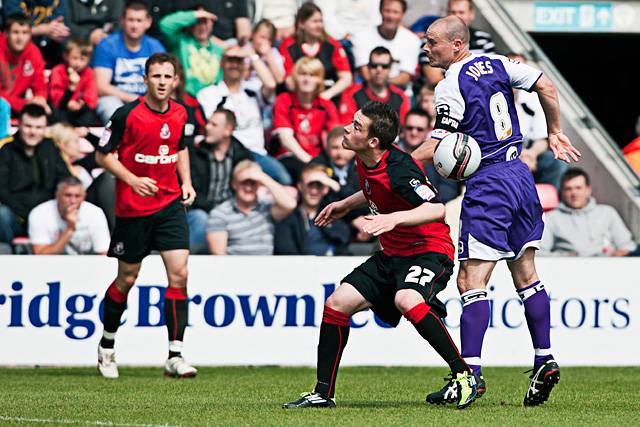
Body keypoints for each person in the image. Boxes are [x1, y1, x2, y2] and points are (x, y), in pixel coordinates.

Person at [413, 16, 581, 406]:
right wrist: (554, 130)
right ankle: (544, 358)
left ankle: (469, 375)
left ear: (457, 45)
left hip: (489, 182)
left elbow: (440, 142)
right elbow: (547, 84)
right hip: (521, 175)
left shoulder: (449, 84)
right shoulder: (501, 63)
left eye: (432, 41)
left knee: (471, 281)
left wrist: (396, 164)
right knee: (527, 274)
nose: (426, 47)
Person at [283, 102, 477, 410]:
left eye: (356, 126)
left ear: (374, 141)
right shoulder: (365, 158)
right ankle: (322, 393)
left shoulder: (401, 168)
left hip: (428, 251)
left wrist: (392, 219)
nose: (347, 128)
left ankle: (465, 375)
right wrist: (346, 205)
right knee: (337, 304)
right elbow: (375, 188)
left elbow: (436, 208)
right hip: (393, 254)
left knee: (407, 300)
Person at [94, 53, 197, 379]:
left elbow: (180, 147)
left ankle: (175, 355)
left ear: (176, 80)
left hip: (169, 205)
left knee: (179, 274)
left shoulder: (181, 113)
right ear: (146, 79)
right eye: (156, 76)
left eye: (168, 76)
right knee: (127, 279)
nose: (162, 82)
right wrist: (133, 180)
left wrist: (187, 182)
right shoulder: (127, 115)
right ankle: (107, 347)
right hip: (133, 210)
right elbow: (102, 155)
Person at [197, 45, 289, 184]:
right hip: (229, 153)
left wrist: (252, 55)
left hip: (257, 153)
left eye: (239, 61)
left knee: (284, 179)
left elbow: (270, 85)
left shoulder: (253, 89)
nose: (235, 65)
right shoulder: (209, 94)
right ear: (222, 62)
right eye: (230, 60)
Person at [0, 104, 71, 246]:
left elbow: (65, 179)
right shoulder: (6, 150)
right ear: (19, 125)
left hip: (49, 215)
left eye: (39, 128)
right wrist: (29, 214)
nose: (33, 132)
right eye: (28, 126)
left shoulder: (50, 147)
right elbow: (2, 191)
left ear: (45, 128)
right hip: (16, 217)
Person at [187, 108, 253, 254]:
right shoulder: (196, 153)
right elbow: (193, 191)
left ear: (227, 131)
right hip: (201, 209)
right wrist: (215, 212)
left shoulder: (241, 155)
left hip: (231, 211)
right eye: (208, 123)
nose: (207, 127)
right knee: (200, 218)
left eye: (214, 125)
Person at [93, 1, 165, 124]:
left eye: (139, 20)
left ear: (148, 22)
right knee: (113, 109)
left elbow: (163, 82)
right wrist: (136, 99)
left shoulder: (155, 47)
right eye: (131, 20)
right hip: (115, 99)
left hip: (149, 100)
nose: (134, 26)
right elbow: (101, 87)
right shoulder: (107, 45)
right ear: (122, 21)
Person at [206, 159, 296, 255]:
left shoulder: (266, 209)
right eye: (244, 182)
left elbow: (290, 204)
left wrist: (262, 177)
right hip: (234, 268)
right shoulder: (220, 213)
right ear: (234, 184)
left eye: (253, 183)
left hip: (265, 267)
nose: (248, 188)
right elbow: (218, 254)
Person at [272, 57, 341, 183]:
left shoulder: (326, 105)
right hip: (290, 156)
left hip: (318, 157)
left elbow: (334, 136)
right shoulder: (284, 100)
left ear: (320, 80)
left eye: (312, 75)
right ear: (295, 77)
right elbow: (286, 139)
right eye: (303, 74)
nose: (307, 79)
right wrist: (311, 163)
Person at [540, 168, 638, 257]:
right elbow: (540, 253)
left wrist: (621, 253)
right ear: (562, 192)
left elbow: (627, 245)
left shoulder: (607, 212)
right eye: (568, 189)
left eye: (578, 188)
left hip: (608, 267)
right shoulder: (551, 218)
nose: (574, 193)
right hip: (570, 269)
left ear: (588, 190)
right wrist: (564, 257)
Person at [508, 52, 568, 190]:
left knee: (556, 163)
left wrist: (532, 154)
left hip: (528, 152)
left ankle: (549, 207)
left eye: (521, 69)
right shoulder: (490, 97)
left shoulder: (532, 99)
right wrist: (518, 155)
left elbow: (542, 138)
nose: (517, 74)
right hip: (499, 154)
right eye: (513, 68)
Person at [279, 2, 352, 101]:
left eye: (321, 21)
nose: (319, 25)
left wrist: (326, 95)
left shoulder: (332, 45)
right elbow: (289, 82)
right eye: (314, 21)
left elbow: (346, 77)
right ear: (301, 23)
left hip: (327, 99)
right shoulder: (288, 46)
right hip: (298, 100)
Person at [274, 163, 350, 255]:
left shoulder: (334, 215)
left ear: (326, 188)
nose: (314, 191)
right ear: (300, 186)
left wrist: (330, 182)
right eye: (310, 185)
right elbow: (285, 250)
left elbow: (358, 205)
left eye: (319, 185)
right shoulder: (289, 217)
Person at [419, 0, 496, 87]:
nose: (457, 16)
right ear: (446, 14)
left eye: (461, 12)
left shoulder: (484, 39)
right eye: (453, 12)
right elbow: (434, 79)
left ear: (471, 14)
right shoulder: (429, 41)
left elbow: (489, 74)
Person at [28, 176, 110, 255]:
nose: (73, 201)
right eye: (68, 195)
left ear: (84, 197)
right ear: (57, 196)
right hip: (53, 265)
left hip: (87, 264)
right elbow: (41, 255)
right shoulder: (40, 213)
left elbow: (104, 253)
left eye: (77, 196)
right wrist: (70, 229)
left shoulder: (95, 213)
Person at [351, 0, 421, 90]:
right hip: (368, 91)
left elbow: (405, 77)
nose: (391, 16)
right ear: (380, 11)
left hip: (399, 92)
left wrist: (383, 84)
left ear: (403, 14)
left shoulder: (413, 40)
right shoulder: (361, 37)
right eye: (387, 11)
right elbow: (365, 73)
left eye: (395, 12)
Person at [159, 7, 224, 97]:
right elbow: (165, 25)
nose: (202, 27)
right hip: (187, 98)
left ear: (212, 23)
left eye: (205, 22)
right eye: (198, 22)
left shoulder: (219, 49)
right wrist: (195, 15)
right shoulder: (181, 42)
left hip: (213, 98)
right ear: (190, 24)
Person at [399, 108, 460, 204]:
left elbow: (448, 192)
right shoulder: (390, 152)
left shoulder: (439, 157)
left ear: (428, 131)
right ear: (403, 128)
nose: (414, 133)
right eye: (410, 128)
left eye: (419, 129)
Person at [339, 46, 410, 126]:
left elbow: (404, 128)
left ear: (390, 68)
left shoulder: (401, 97)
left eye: (384, 66)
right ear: (368, 67)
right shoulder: (352, 93)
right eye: (374, 65)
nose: (379, 70)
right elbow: (347, 127)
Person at [0, 14, 49, 116]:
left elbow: (40, 84)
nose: (20, 38)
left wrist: (40, 98)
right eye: (15, 32)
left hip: (19, 106)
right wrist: (24, 104)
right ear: (6, 33)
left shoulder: (34, 52)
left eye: (25, 33)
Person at [49, 38, 100, 126]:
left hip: (80, 110)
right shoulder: (58, 71)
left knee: (90, 117)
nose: (78, 63)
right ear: (66, 56)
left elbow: (91, 97)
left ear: (89, 60)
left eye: (82, 59)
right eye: (75, 58)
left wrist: (81, 105)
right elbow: (55, 96)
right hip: (62, 107)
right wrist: (70, 93)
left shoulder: (88, 73)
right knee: (56, 114)